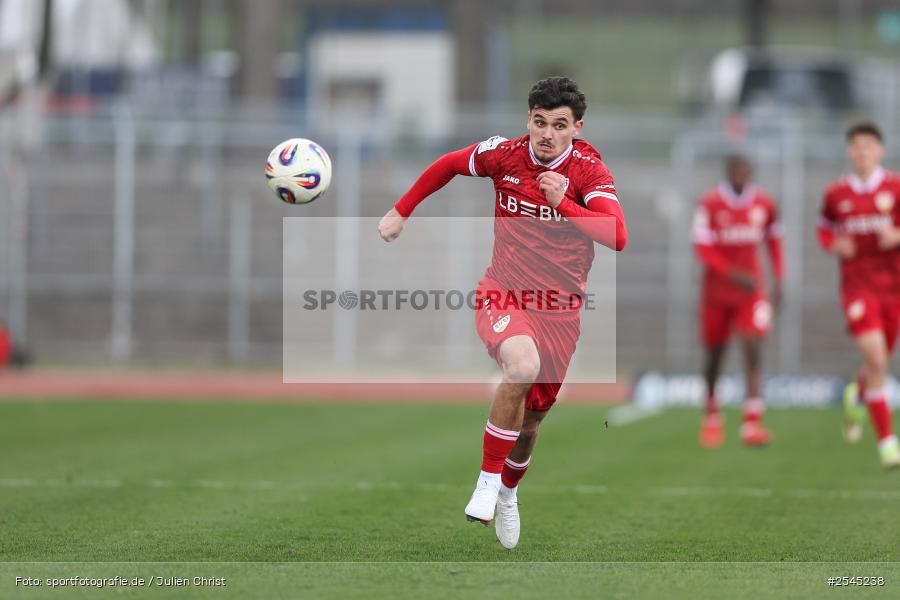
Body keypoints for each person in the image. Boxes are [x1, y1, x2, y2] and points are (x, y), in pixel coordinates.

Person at [378, 76, 627, 549]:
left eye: (559, 125)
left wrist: (564, 203)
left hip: (559, 310)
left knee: (531, 423)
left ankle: (509, 493)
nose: (546, 134)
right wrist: (401, 210)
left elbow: (617, 235)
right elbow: (449, 164)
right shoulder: (505, 155)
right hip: (503, 292)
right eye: (539, 122)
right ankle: (487, 483)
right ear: (528, 120)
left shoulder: (589, 172)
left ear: (577, 128)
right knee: (522, 366)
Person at [818, 121, 900, 469]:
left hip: (893, 289)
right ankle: (887, 443)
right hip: (857, 290)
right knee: (880, 361)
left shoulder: (895, 187)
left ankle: (859, 393)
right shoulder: (837, 194)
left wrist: (896, 235)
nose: (862, 152)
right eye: (856, 146)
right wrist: (836, 244)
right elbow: (823, 230)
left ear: (879, 151)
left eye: (868, 146)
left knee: (877, 362)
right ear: (850, 152)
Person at [692, 155, 784, 448]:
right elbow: (703, 248)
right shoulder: (709, 204)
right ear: (728, 171)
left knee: (753, 345)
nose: (741, 175)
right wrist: (731, 273)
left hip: (751, 292)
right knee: (715, 356)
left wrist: (779, 279)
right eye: (736, 170)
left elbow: (774, 242)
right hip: (717, 292)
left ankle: (752, 423)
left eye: (746, 171)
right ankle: (712, 417)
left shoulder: (764, 204)